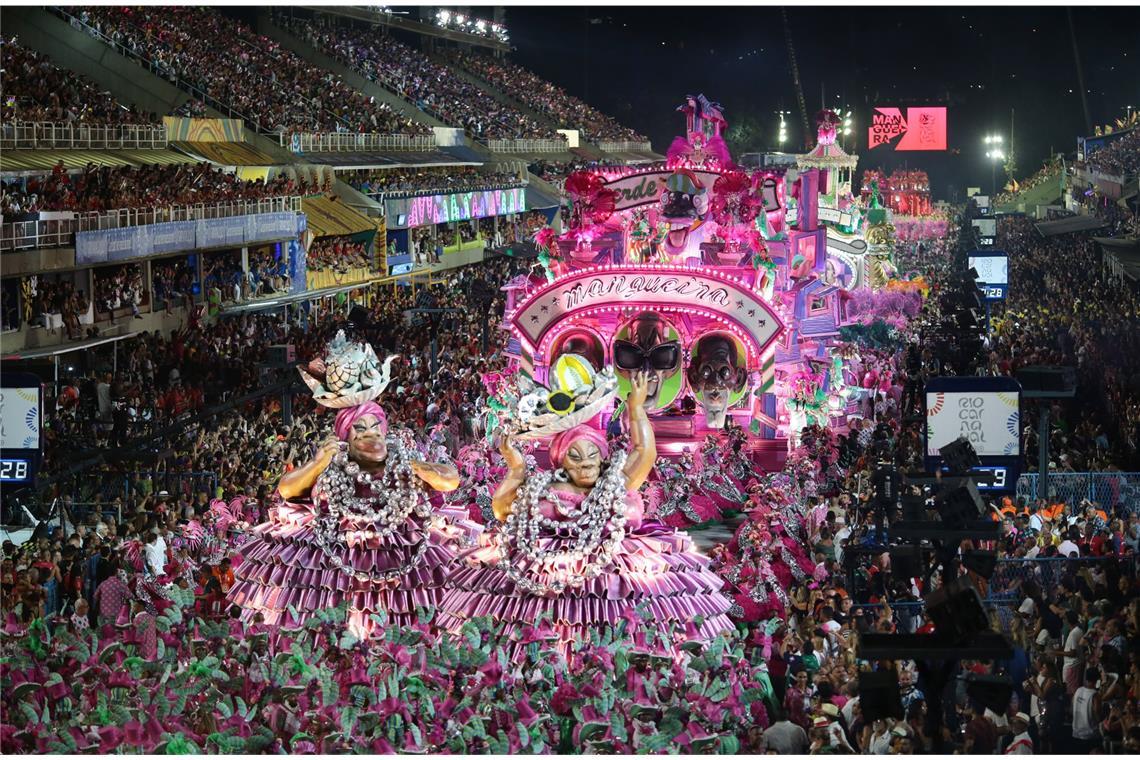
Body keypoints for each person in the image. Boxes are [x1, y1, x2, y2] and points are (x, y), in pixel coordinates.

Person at [436, 371, 733, 659]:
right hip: (546, 582)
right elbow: (502, 509)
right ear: (560, 462)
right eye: (575, 457)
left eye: (593, 455)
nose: (586, 464)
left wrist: (636, 408)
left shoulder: (614, 481)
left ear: (603, 458)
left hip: (616, 579)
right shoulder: (544, 488)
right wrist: (516, 467)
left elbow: (645, 452)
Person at [227, 332, 475, 640]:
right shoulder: (333, 467)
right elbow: (287, 490)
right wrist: (317, 463)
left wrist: (414, 467)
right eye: (360, 428)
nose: (370, 433)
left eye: (375, 425)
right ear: (345, 436)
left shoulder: (404, 464)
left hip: (403, 555)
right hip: (337, 560)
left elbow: (450, 479)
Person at [1071, 669, 1101, 752]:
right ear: (1097, 680)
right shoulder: (1095, 695)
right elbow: (1098, 716)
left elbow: (1071, 708)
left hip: (1076, 733)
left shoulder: (1078, 690)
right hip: (1090, 736)